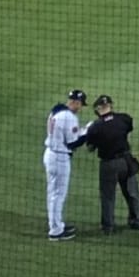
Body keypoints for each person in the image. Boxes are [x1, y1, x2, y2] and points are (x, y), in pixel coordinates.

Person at [74, 94, 139, 234]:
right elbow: (127, 129)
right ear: (111, 105)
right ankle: (137, 221)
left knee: (108, 196)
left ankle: (108, 227)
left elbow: (90, 146)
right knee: (131, 192)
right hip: (126, 161)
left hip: (108, 164)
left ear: (98, 109)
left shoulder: (95, 127)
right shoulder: (124, 119)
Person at [43, 89, 88, 240]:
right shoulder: (69, 117)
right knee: (57, 195)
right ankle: (55, 231)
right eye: (80, 104)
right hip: (60, 158)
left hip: (50, 154)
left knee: (53, 194)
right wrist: (87, 132)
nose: (80, 108)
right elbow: (73, 143)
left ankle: (56, 224)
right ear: (76, 102)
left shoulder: (56, 110)